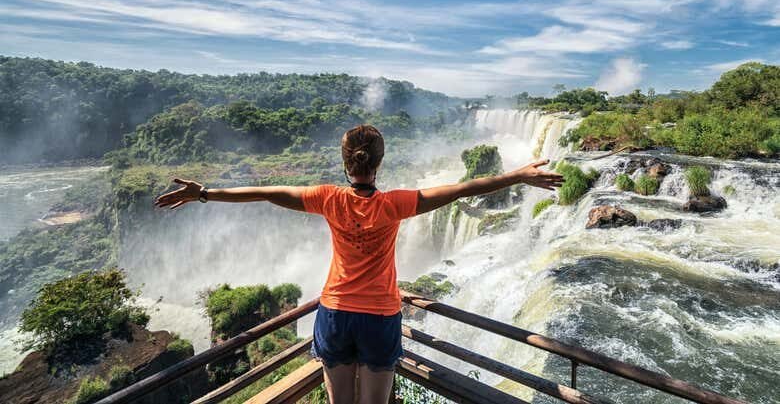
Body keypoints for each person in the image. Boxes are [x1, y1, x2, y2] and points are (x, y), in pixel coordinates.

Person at [154, 124, 564, 404]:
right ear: (378, 164)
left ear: (345, 162)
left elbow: (265, 193)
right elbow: (461, 189)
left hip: (334, 313)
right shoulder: (396, 204)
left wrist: (204, 193)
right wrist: (516, 177)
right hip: (380, 317)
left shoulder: (327, 198)